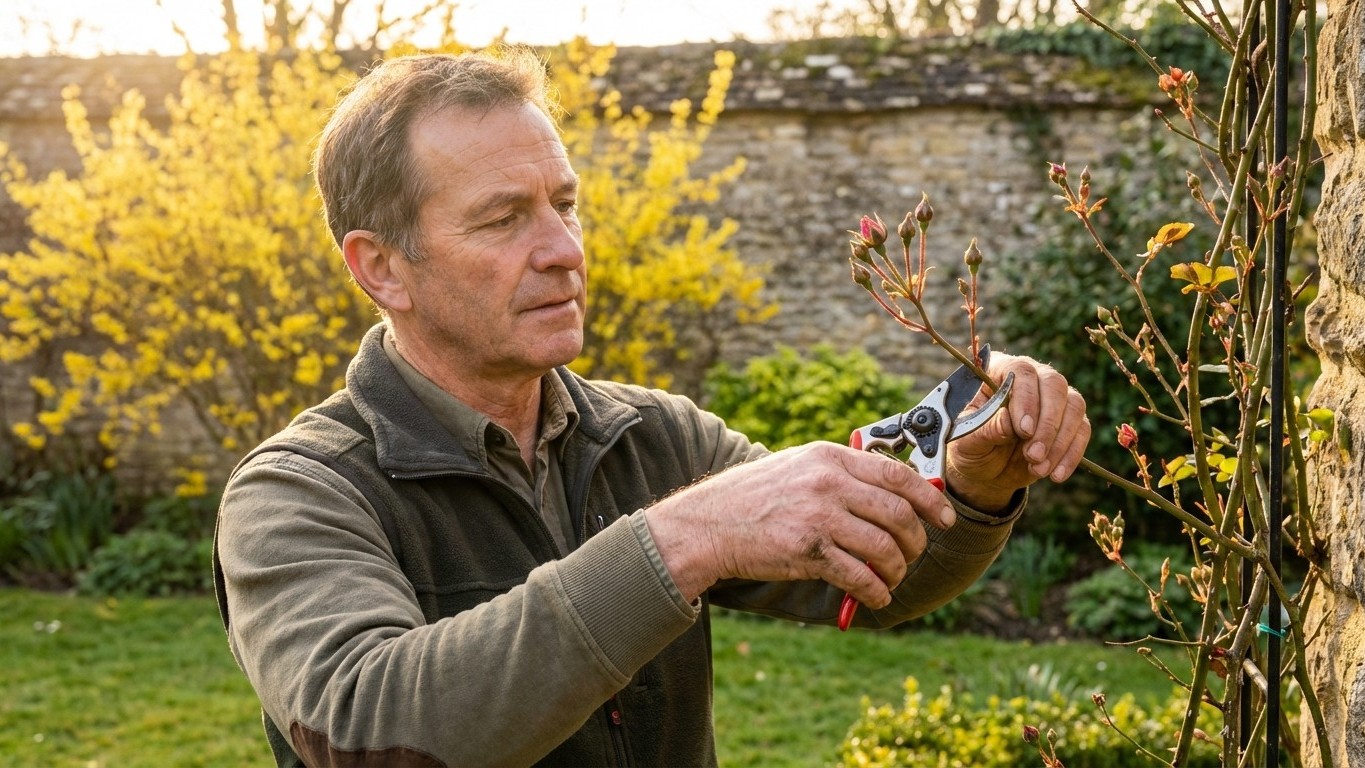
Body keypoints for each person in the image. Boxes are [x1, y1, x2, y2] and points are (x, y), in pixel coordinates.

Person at [212, 46, 1091, 767]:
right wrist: (685, 539)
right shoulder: (298, 493)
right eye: (501, 219)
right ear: (380, 266)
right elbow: (371, 730)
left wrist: (969, 485)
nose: (563, 249)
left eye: (564, 205)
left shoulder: (650, 436)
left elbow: (875, 574)